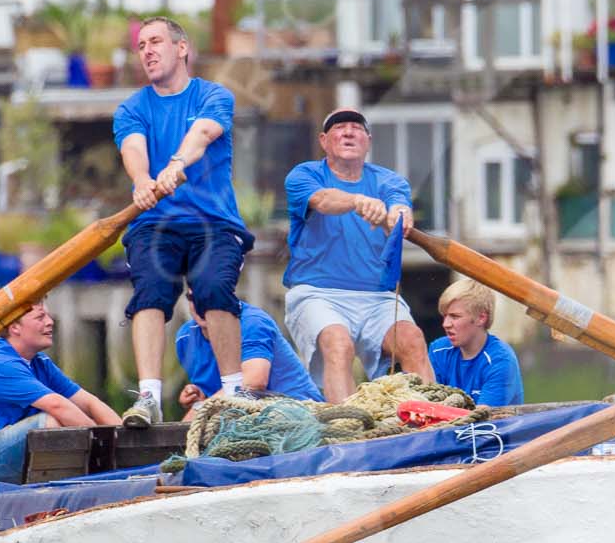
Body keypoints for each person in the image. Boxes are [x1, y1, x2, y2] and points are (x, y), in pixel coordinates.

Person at [112, 15, 251, 428]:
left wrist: (175, 163)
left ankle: (234, 392)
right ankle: (149, 398)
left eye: (156, 42)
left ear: (182, 48)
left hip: (214, 223)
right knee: (151, 290)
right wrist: (141, 181)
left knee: (211, 287)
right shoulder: (131, 107)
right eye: (141, 46)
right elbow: (133, 148)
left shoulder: (214, 95)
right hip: (154, 223)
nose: (148, 51)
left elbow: (204, 133)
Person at [281, 107, 433, 401]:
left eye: (356, 127)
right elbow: (323, 200)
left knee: (413, 341)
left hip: (378, 296)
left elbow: (400, 208)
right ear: (324, 140)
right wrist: (358, 201)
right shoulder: (305, 175)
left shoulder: (389, 181)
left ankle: (429, 425)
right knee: (339, 344)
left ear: (368, 140)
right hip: (317, 293)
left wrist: (397, 215)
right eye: (339, 127)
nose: (348, 132)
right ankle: (347, 430)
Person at [0, 302, 122, 484]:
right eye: (40, 317)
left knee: (75, 418)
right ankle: (90, 478)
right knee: (50, 422)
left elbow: (90, 403)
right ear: (14, 327)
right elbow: (57, 406)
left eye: (48, 316)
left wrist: (125, 441)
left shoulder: (39, 362)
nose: (50, 322)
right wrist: (103, 449)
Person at [173, 296, 322, 415]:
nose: (201, 304)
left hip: (297, 412)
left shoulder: (252, 322)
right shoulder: (185, 338)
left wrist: (199, 409)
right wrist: (201, 397)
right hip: (238, 419)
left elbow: (254, 383)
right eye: (193, 298)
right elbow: (219, 398)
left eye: (209, 295)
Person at [428, 278, 524, 408]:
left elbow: (481, 420)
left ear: (481, 318)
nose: (445, 324)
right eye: (444, 316)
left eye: (455, 316)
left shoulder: (500, 361)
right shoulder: (437, 350)